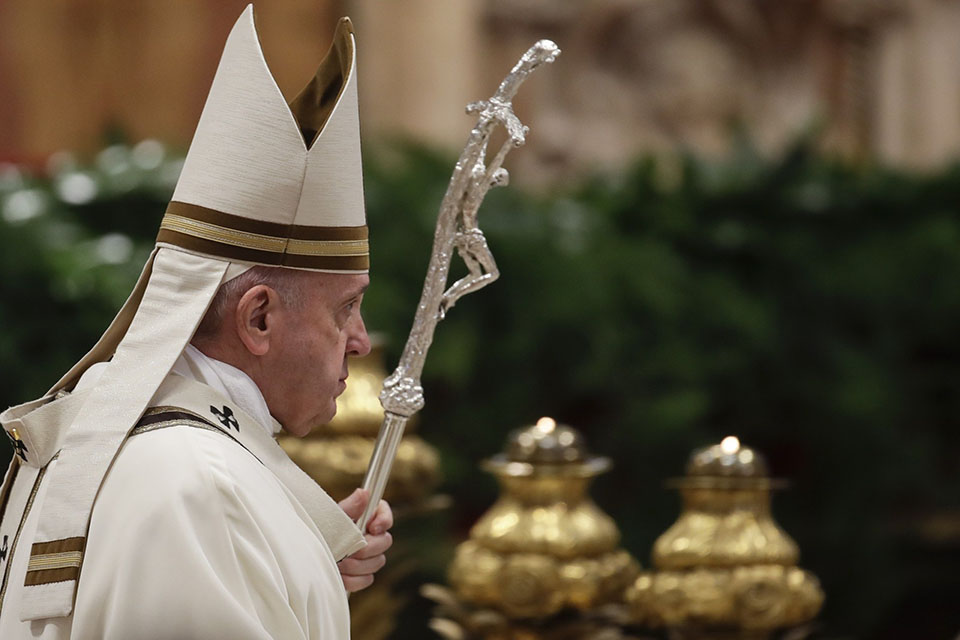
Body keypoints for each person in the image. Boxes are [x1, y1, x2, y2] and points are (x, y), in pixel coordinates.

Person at [0, 6, 391, 638]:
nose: (361, 340)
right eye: (345, 307)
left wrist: (298, 553)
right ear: (258, 316)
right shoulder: (198, 488)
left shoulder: (136, 441)